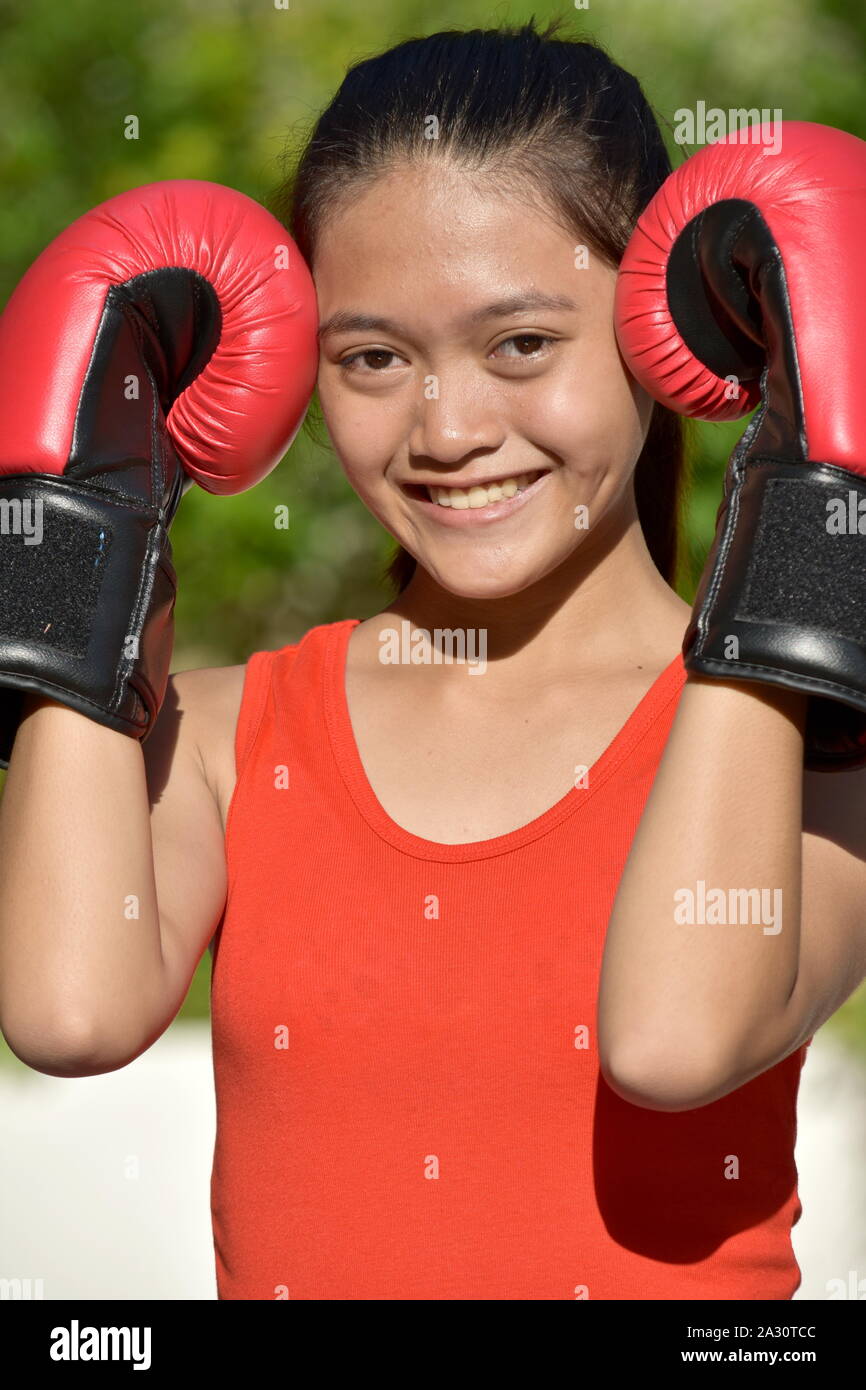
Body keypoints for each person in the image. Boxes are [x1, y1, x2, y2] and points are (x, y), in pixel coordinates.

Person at [2, 18, 865, 1301]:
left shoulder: (807, 747)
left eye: (520, 343)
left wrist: (811, 490)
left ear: (669, 329)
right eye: (372, 358)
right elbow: (66, 1015)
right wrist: (83, 509)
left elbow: (673, 1038)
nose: (446, 428)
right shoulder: (232, 735)